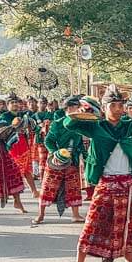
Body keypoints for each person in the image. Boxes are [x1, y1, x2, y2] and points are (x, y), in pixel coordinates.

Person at [63, 85, 132, 262]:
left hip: (128, 183)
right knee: (91, 224)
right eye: (114, 105)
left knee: (130, 226)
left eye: (121, 105)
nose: (118, 109)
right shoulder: (95, 126)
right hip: (105, 183)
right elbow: (69, 124)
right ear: (104, 106)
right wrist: (79, 114)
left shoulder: (131, 125)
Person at [33, 96, 86, 224]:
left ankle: (76, 214)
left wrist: (85, 156)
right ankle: (40, 214)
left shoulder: (80, 124)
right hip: (56, 161)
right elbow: (48, 140)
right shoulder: (58, 123)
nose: (78, 109)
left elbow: (80, 144)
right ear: (68, 108)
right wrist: (56, 153)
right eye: (76, 107)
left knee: (73, 187)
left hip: (72, 160)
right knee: (48, 187)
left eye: (78, 107)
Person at [0, 94, 39, 198]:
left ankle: (34, 191)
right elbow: (2, 131)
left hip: (23, 144)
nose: (15, 104)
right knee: (13, 170)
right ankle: (10, 193)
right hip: (11, 145)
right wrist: (13, 126)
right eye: (12, 102)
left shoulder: (24, 114)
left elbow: (34, 125)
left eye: (16, 102)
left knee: (27, 170)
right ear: (7, 105)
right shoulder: (4, 116)